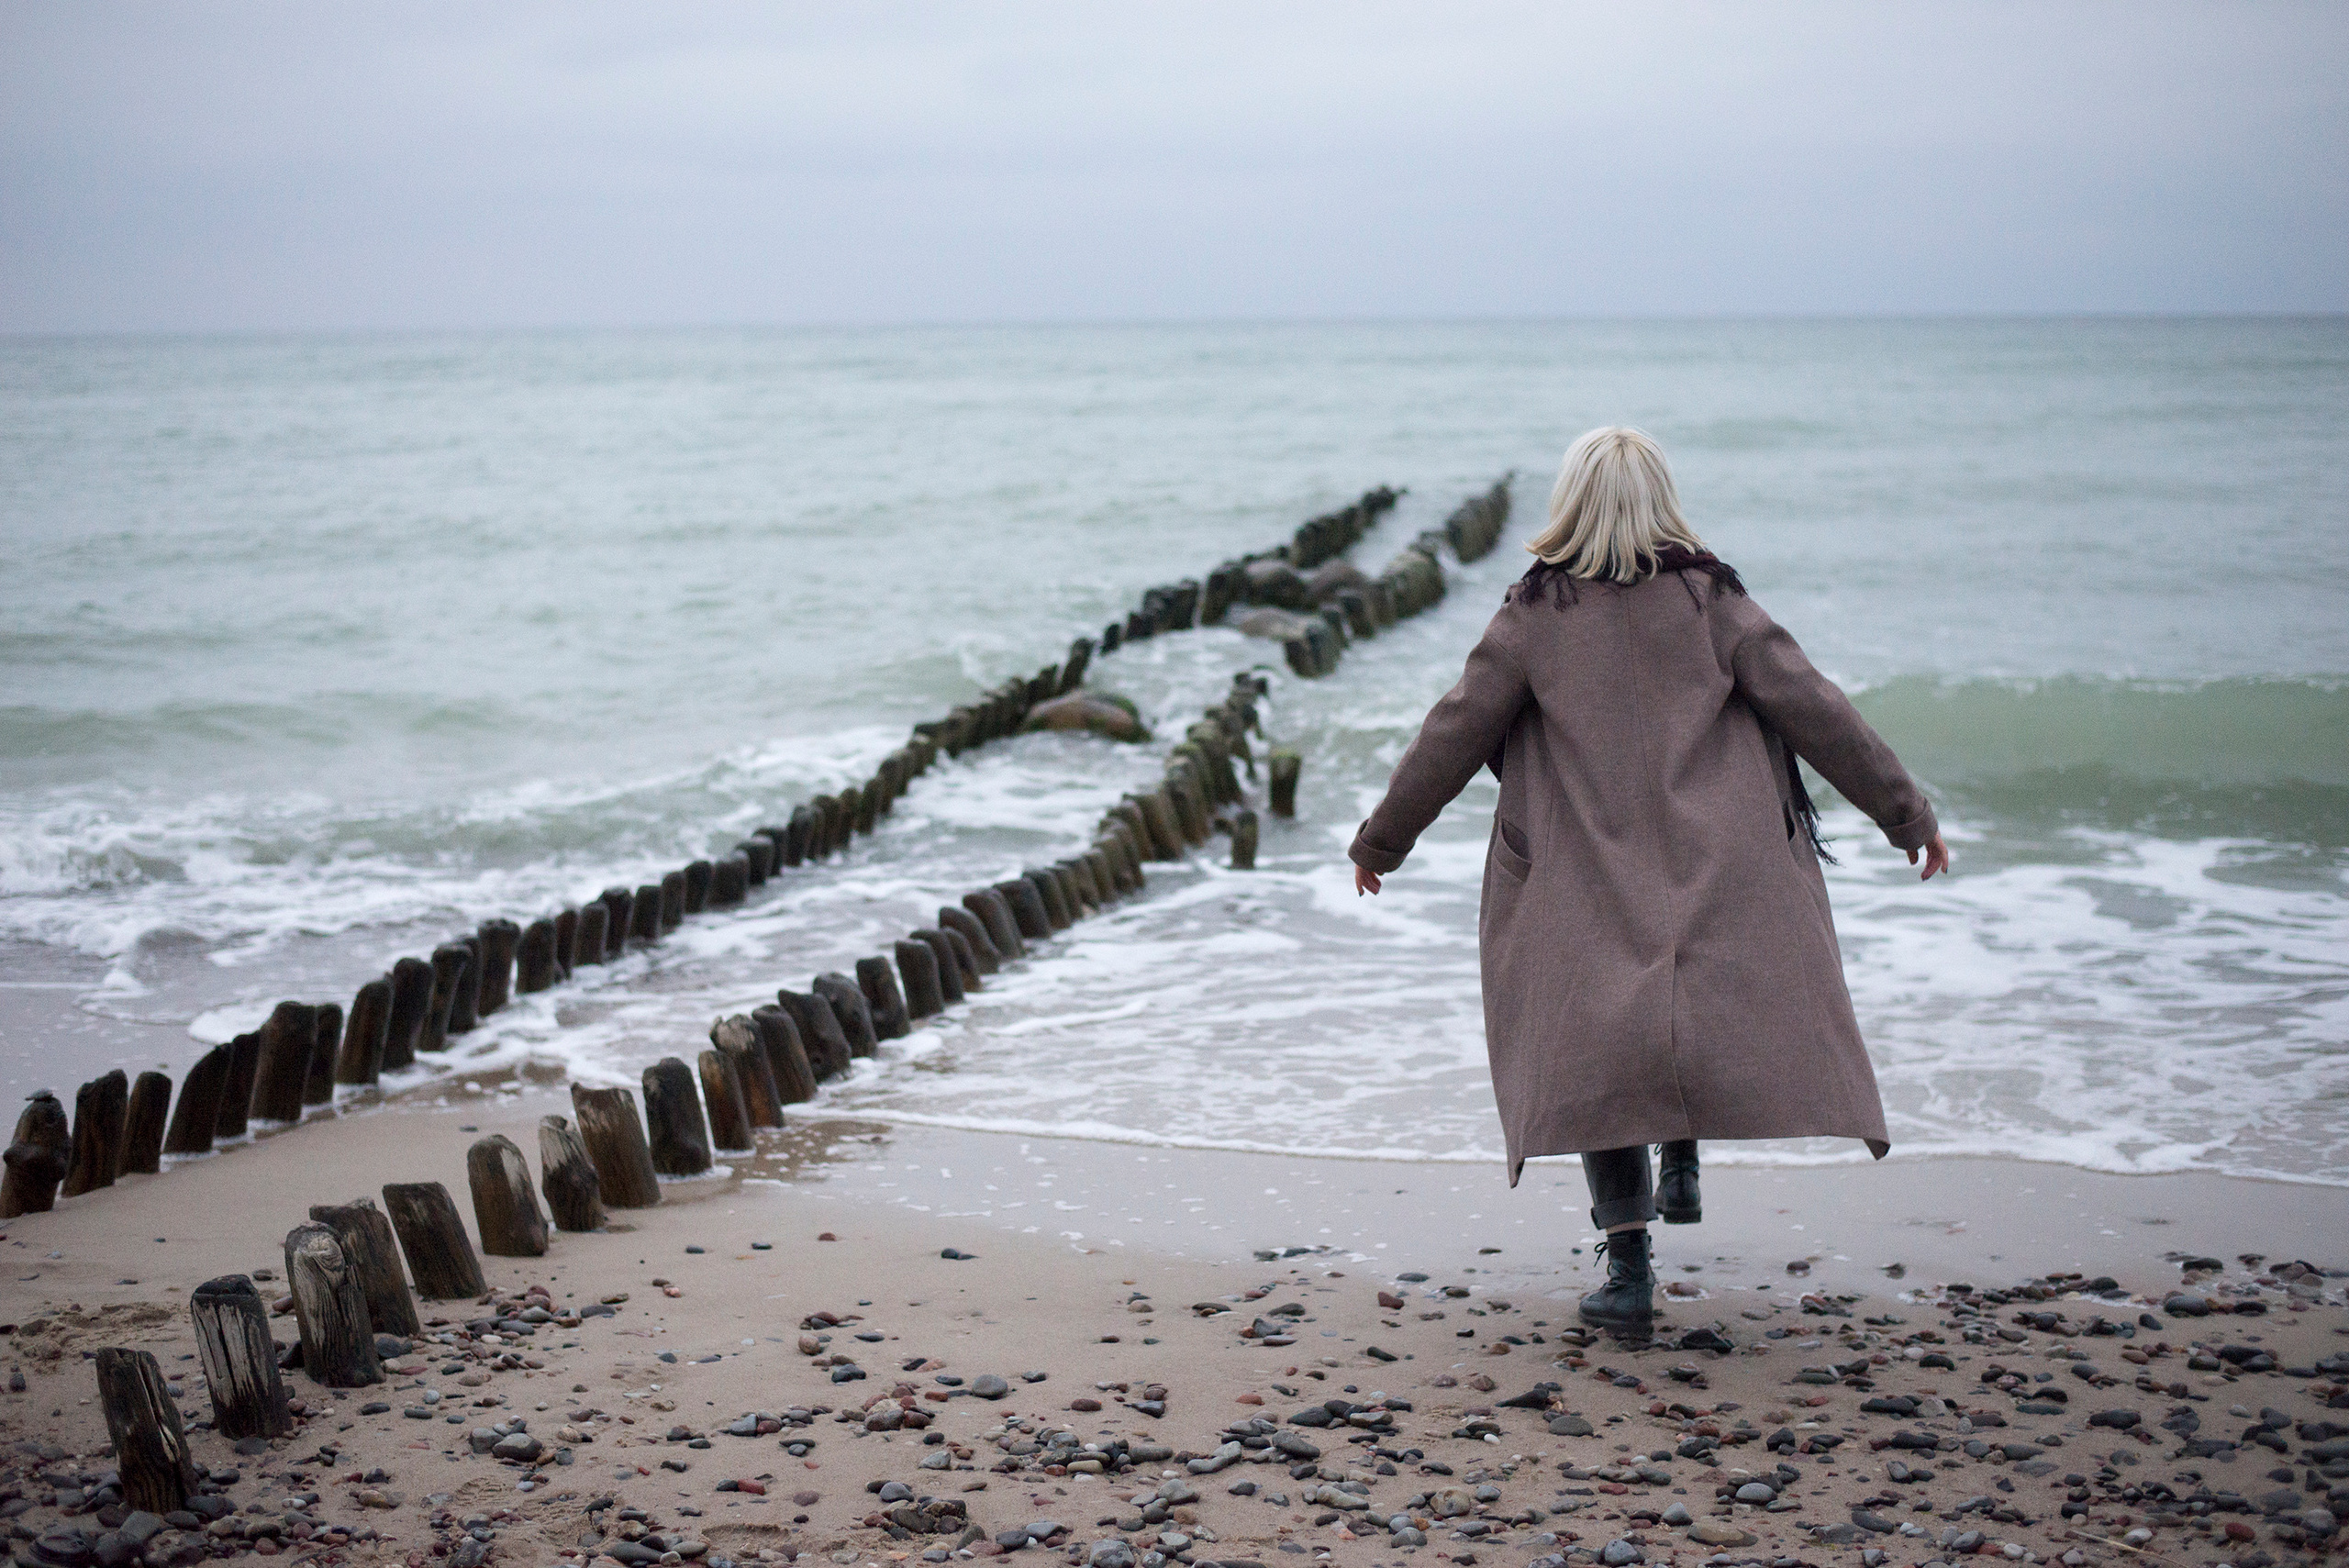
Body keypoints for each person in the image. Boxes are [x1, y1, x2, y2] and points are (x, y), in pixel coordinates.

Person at [1348, 427, 1948, 1338]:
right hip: (1713, 854)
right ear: (1662, 502)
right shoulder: (1713, 602)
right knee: (1680, 999)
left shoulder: (1533, 615)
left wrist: (1381, 842)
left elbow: (1455, 729)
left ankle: (1626, 1271)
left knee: (1605, 1042)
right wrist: (1906, 815)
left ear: (1570, 503)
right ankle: (1682, 1160)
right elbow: (1816, 707)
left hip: (1582, 866)